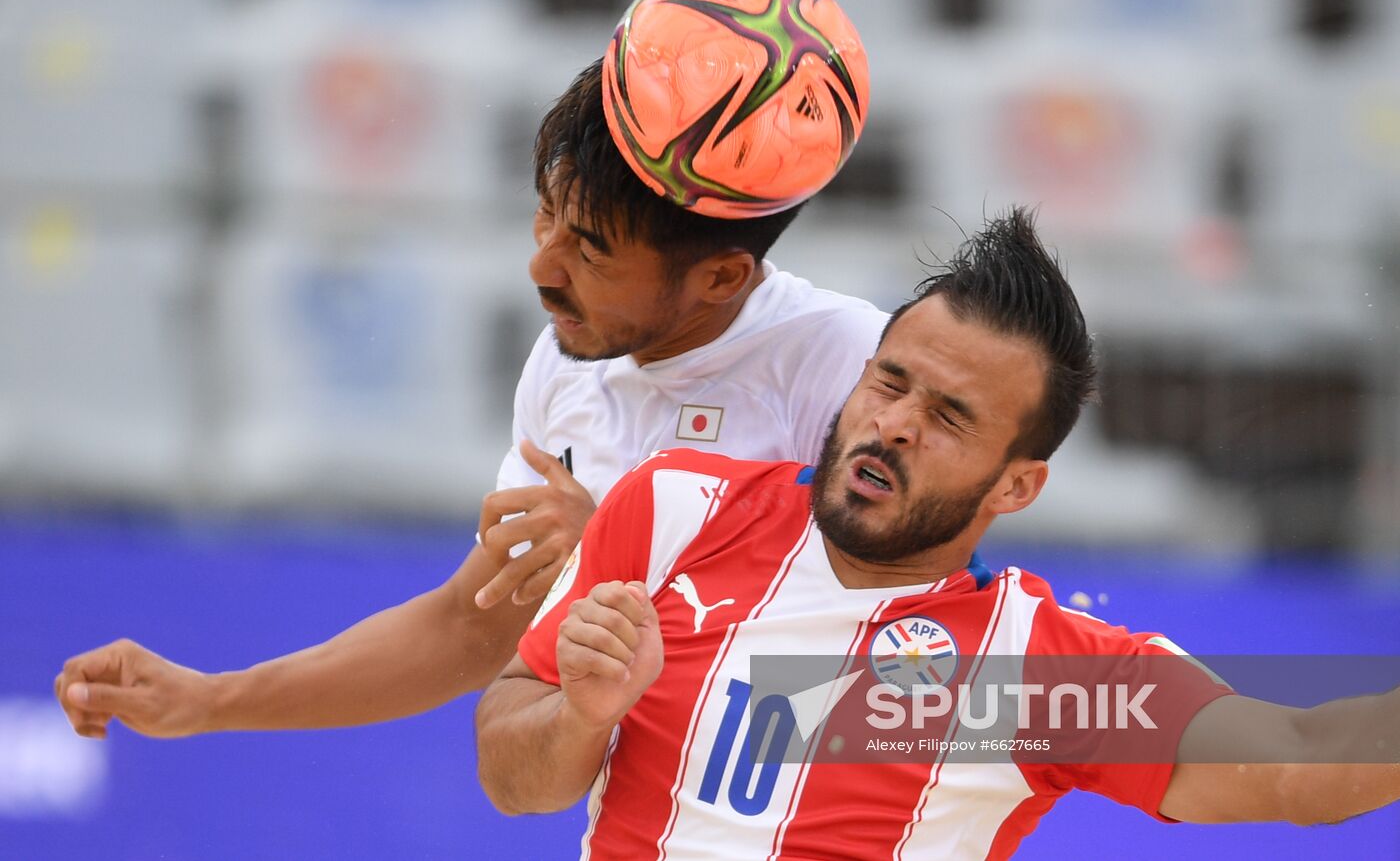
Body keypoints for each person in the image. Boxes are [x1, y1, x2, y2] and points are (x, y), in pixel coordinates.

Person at [476, 208, 1400, 859]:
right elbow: (514, 779)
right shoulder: (671, 510)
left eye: (950, 416)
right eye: (889, 381)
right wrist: (582, 714)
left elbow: (1303, 764)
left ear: (1017, 484)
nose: (894, 424)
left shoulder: (1025, 679)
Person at [52, 58, 887, 740]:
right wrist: (210, 700)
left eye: (589, 249)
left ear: (720, 277)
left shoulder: (862, 367)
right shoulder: (568, 367)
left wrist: (622, 555)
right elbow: (468, 628)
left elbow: (929, 701)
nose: (542, 268)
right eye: (545, 218)